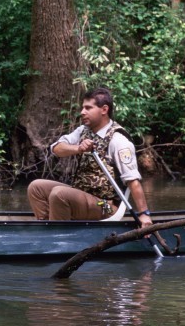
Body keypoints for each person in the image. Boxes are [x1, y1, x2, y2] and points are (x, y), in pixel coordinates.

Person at [27, 88, 153, 227]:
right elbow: (56, 149)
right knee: (36, 187)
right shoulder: (83, 131)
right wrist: (78, 148)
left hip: (105, 205)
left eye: (88, 108)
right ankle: (47, 228)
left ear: (104, 110)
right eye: (82, 108)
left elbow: (132, 181)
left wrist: (143, 214)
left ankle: (58, 238)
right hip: (82, 195)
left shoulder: (119, 141)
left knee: (59, 194)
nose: (82, 112)